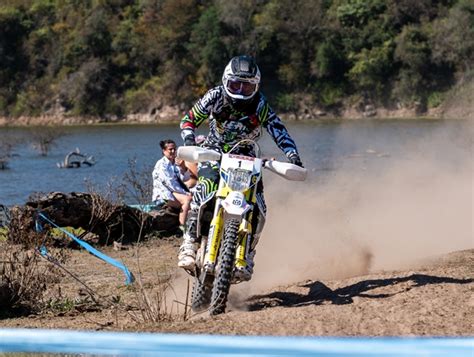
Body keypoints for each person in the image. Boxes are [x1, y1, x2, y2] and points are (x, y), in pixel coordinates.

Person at [177, 55, 304, 281]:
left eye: (247, 86)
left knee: (259, 204)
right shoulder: (214, 96)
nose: (241, 91)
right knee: (202, 190)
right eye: (236, 85)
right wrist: (189, 140)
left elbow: (279, 131)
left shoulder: (261, 104)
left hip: (247, 156)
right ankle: (189, 243)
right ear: (226, 81)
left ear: (256, 86)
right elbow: (189, 119)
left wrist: (292, 155)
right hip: (214, 152)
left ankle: (249, 252)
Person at [152, 139, 193, 229]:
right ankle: (182, 227)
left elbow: (186, 179)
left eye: (175, 149)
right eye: (170, 149)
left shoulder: (175, 163)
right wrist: (185, 193)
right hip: (164, 194)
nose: (173, 151)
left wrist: (183, 168)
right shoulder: (161, 164)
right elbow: (169, 184)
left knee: (195, 199)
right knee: (187, 199)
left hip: (174, 193)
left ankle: (190, 225)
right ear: (164, 151)